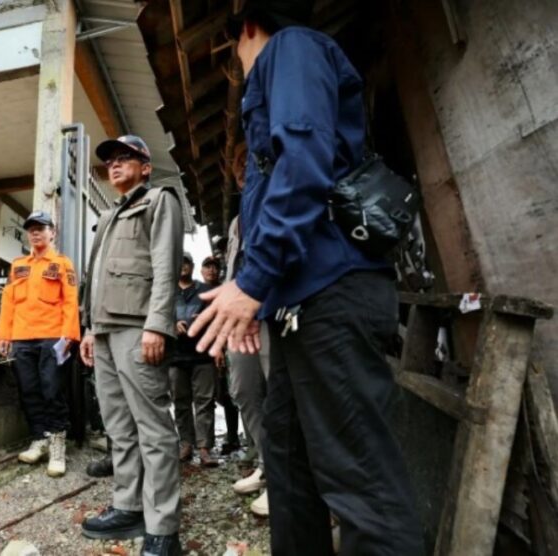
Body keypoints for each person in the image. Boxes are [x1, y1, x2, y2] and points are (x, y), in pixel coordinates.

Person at [189, 2, 425, 555]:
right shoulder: (284, 59)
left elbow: (303, 164)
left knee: (360, 481)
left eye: (234, 56)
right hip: (300, 303)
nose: (240, 69)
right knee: (292, 473)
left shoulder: (290, 47)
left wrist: (252, 282)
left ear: (246, 28)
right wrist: (260, 294)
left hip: (333, 293)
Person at [79, 135, 183, 556]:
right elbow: (96, 279)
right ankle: (128, 506)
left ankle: (163, 527)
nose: (115, 166)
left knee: (152, 429)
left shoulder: (159, 201)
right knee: (118, 427)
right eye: (110, 161)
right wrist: (88, 328)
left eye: (125, 158)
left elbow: (165, 265)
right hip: (104, 330)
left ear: (145, 166)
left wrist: (157, 325)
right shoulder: (107, 216)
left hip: (138, 327)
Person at [0, 211, 80, 478]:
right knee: (28, 390)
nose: (35, 232)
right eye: (31, 228)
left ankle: (57, 444)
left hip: (53, 337)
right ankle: (39, 438)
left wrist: (69, 336)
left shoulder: (63, 263)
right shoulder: (18, 264)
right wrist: (3, 335)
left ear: (52, 232)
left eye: (41, 228)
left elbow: (70, 300)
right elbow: (8, 302)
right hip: (22, 337)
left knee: (52, 389)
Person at [223, 144, 270, 517]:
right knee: (243, 390)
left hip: (272, 312)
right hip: (238, 321)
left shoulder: (272, 198)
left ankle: (286, 477)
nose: (243, 172)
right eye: (238, 167)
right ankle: (269, 465)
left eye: (248, 164)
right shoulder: (237, 221)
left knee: (281, 391)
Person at [169, 254, 218, 467]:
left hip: (203, 354)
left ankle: (205, 448)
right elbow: (157, 317)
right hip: (176, 356)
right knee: (180, 402)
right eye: (180, 262)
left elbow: (217, 318)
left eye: (187, 262)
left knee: (205, 402)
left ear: (192, 266)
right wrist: (172, 325)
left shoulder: (205, 291)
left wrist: (204, 322)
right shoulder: (168, 293)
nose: (183, 266)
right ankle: (186, 444)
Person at [199, 255, 241, 457]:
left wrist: (223, 349)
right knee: (211, 396)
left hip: (222, 348)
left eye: (215, 267)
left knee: (228, 394)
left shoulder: (225, 290)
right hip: (201, 352)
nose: (212, 271)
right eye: (208, 267)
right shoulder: (198, 292)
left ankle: (232, 436)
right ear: (202, 270)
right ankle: (208, 441)